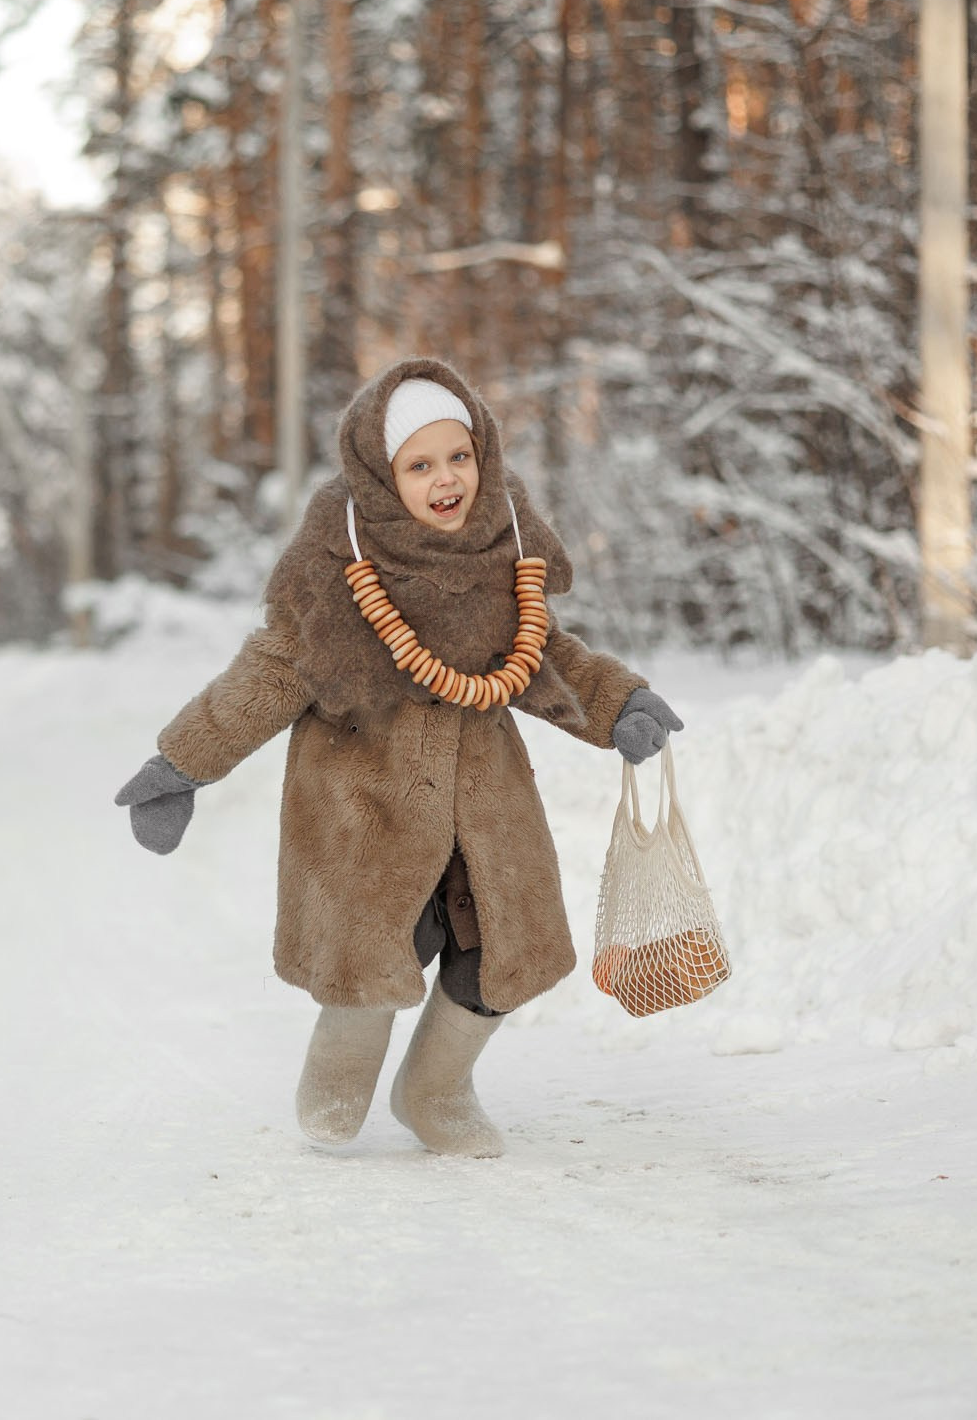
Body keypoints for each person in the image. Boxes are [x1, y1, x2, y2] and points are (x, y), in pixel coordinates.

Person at [113, 357, 682, 1157]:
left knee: (498, 948)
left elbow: (544, 651)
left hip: (484, 801)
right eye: (420, 464)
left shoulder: (502, 547)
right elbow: (269, 671)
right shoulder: (337, 568)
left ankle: (435, 1089)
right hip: (366, 801)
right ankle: (341, 1066)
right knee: (381, 942)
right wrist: (183, 763)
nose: (446, 478)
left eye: (460, 456)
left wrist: (618, 700)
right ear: (382, 475)